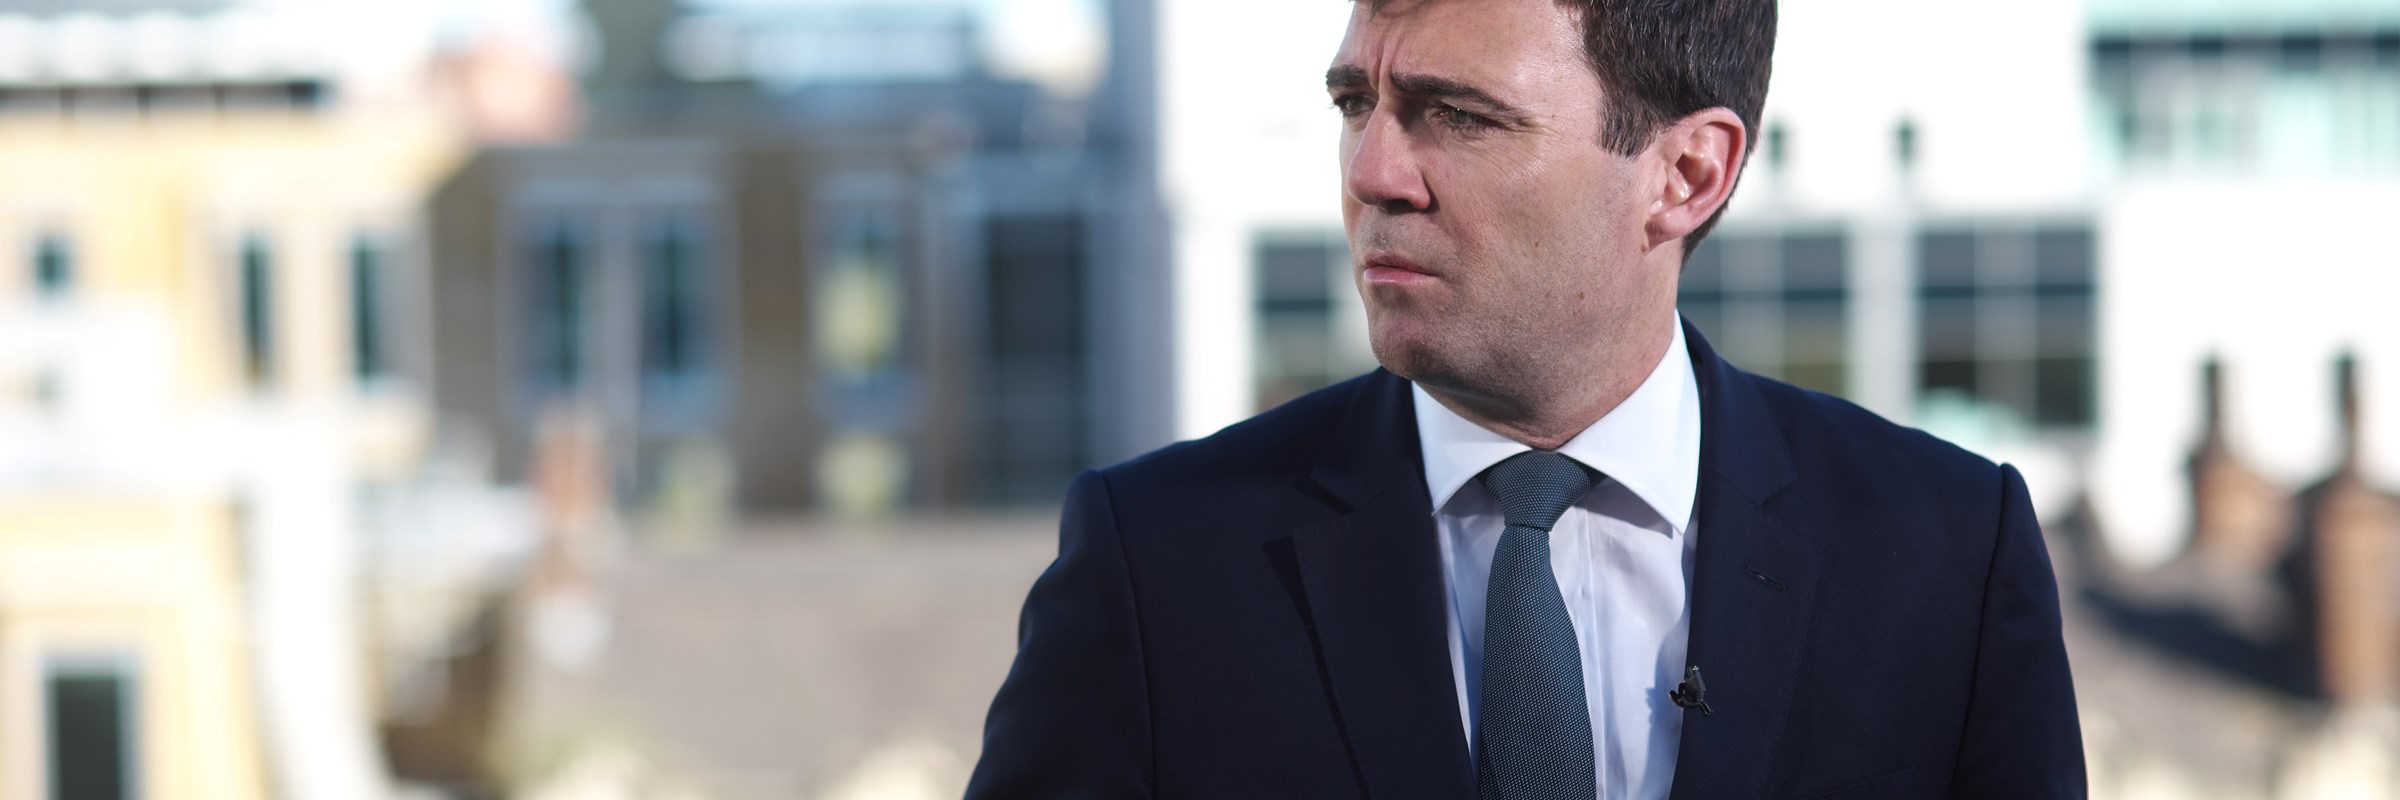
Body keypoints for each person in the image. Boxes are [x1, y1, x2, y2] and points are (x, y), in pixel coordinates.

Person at [967, 0, 2085, 796]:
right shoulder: (1158, 562)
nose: (1372, 171)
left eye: (1458, 115)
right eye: (1358, 103)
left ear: (1685, 174)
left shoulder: (1946, 551)